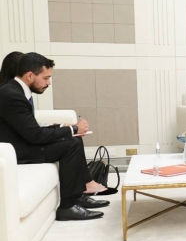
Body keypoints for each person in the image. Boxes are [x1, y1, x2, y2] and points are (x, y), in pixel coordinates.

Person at [0, 52, 109, 221]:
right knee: (71, 144)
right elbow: (35, 135)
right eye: (46, 78)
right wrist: (72, 128)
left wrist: (66, 129)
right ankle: (67, 207)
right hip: (17, 152)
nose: (48, 83)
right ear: (30, 76)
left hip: (24, 144)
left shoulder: (18, 91)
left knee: (75, 139)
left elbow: (30, 127)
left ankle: (77, 196)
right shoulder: (11, 95)